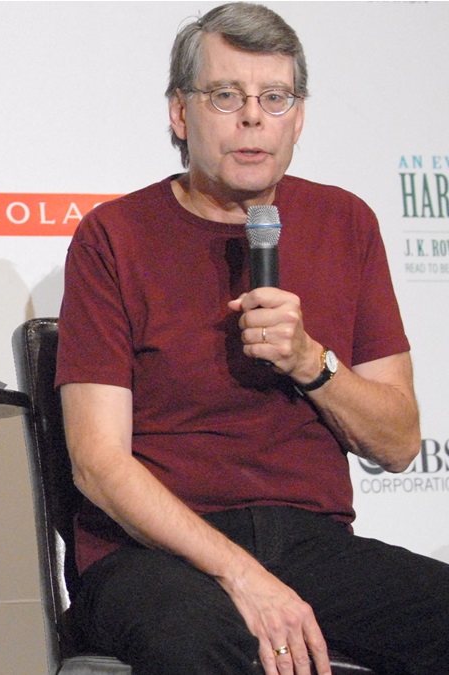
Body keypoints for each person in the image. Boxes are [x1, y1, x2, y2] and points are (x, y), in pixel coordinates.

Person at [56, 4, 449, 674]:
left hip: (307, 542)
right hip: (152, 554)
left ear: (297, 117)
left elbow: (400, 441)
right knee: (207, 641)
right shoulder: (113, 237)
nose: (252, 118)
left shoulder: (346, 222)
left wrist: (311, 361)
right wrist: (242, 575)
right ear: (180, 114)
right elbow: (98, 462)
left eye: (274, 97)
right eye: (225, 95)